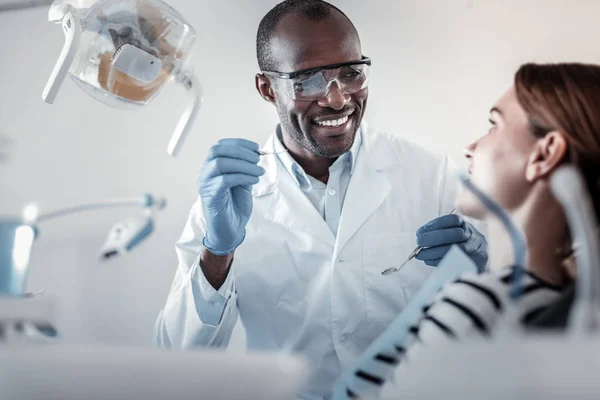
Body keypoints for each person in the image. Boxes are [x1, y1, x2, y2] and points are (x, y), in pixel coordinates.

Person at [154, 1, 487, 398]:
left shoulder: (429, 176)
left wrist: (477, 264)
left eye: (351, 73)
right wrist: (218, 251)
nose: (336, 98)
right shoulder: (229, 197)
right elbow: (178, 356)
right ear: (266, 88)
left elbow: (483, 326)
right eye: (307, 79)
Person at [342, 62, 600, 399]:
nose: (470, 147)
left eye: (494, 125)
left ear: (545, 154)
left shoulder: (480, 305)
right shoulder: (562, 296)